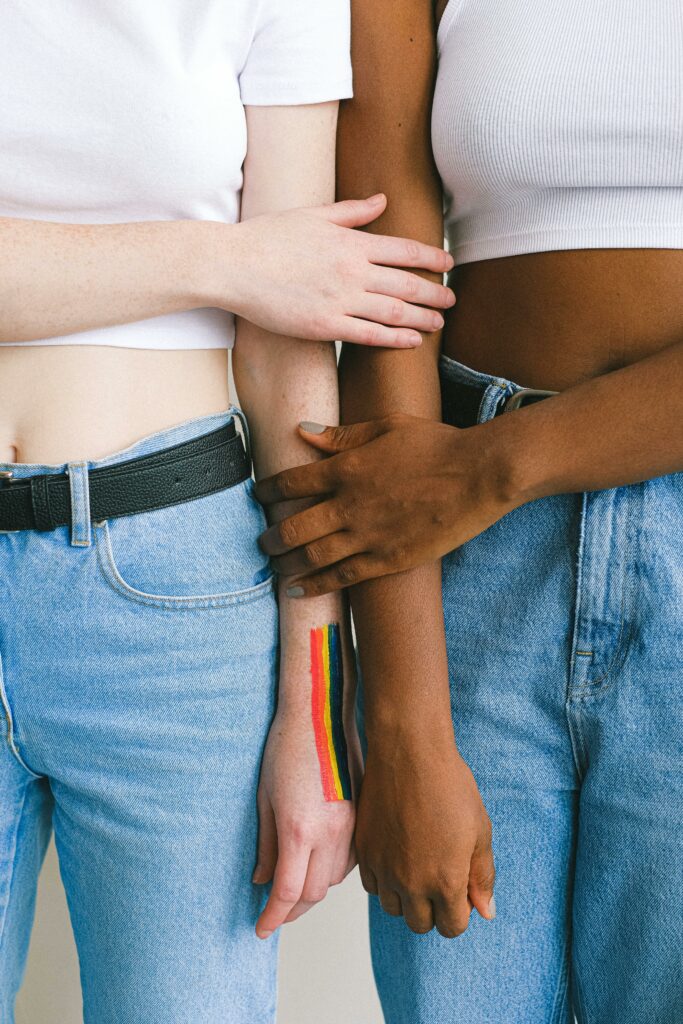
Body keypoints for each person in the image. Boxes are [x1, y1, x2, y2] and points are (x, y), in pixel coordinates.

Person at [0, 2, 455, 1022]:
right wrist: (221, 260)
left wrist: (317, 712)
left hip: (176, 598)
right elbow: (269, 275)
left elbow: (289, 344)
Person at [255, 1, 683, 1021]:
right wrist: (402, 719)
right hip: (454, 567)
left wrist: (492, 469)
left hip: (458, 491)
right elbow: (381, 286)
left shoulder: (473, 478)